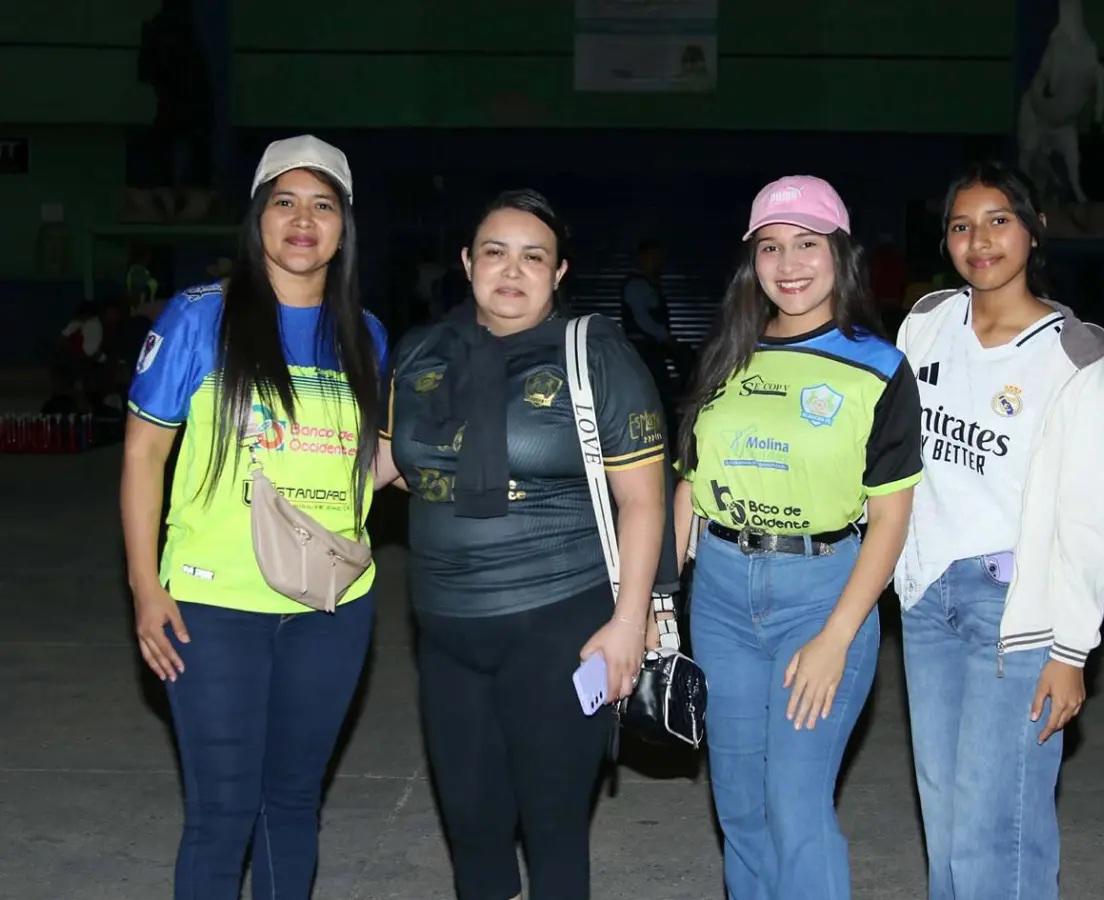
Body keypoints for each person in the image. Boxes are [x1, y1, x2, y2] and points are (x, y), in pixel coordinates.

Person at [374, 189, 673, 900]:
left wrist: (629, 621)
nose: (512, 271)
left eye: (533, 257)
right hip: (445, 632)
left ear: (559, 272)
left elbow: (643, 500)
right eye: (495, 252)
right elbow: (386, 466)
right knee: (472, 830)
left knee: (554, 829)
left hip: (561, 625)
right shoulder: (420, 352)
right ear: (466, 262)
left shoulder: (595, 355)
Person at [120, 134, 387, 899]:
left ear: (344, 226)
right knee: (222, 812)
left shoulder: (364, 334)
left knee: (292, 804)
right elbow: (143, 455)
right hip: (213, 604)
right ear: (257, 217)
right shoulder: (199, 318)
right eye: (284, 202)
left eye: (322, 205)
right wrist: (145, 586)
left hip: (332, 606)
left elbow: (366, 464)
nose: (303, 220)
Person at [674, 176, 923, 899]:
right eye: (770, 246)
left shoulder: (878, 367)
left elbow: (892, 520)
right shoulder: (727, 354)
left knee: (795, 805)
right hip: (720, 593)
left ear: (840, 254)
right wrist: (658, 601)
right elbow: (690, 484)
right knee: (739, 807)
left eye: (807, 244)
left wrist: (837, 637)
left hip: (821, 596)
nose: (788, 264)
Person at [894, 161, 1104, 898]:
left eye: (998, 221)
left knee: (997, 826)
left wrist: (1071, 650)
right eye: (961, 226)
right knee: (945, 817)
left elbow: (1090, 520)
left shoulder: (1073, 360)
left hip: (1013, 609)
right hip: (927, 599)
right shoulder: (926, 324)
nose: (980, 240)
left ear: (1033, 230)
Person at [620, 238, 691, 435]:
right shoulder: (636, 285)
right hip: (643, 350)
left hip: (651, 348)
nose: (659, 261)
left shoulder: (648, 283)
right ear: (643, 258)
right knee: (656, 391)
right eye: (654, 257)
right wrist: (666, 338)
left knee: (659, 391)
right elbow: (643, 318)